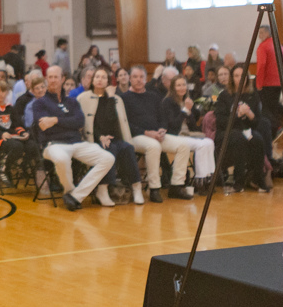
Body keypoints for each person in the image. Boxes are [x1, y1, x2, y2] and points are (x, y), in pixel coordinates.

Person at [32, 66, 114, 211]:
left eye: (55, 77)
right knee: (62, 159)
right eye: (49, 77)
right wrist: (66, 122)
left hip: (77, 143)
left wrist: (56, 120)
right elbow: (44, 125)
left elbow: (79, 122)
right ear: (46, 79)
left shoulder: (72, 102)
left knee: (108, 158)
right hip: (53, 145)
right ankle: (70, 192)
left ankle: (76, 196)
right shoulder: (39, 103)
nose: (52, 80)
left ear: (62, 79)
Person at [122, 66, 189, 203]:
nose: (139, 80)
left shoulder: (153, 96)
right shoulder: (124, 98)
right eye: (135, 77)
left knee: (184, 145)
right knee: (153, 146)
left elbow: (162, 118)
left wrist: (162, 129)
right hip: (135, 136)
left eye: (141, 77)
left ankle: (176, 185)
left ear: (146, 79)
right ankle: (154, 188)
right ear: (130, 79)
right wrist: (147, 133)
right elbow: (125, 124)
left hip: (156, 134)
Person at [76, 68, 142, 205]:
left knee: (127, 148)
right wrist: (100, 136)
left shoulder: (116, 99)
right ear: (93, 80)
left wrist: (111, 98)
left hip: (115, 137)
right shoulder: (84, 98)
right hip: (94, 139)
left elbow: (111, 119)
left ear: (108, 81)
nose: (100, 80)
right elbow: (86, 124)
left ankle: (137, 188)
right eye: (97, 77)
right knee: (109, 149)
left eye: (104, 77)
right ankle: (102, 190)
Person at [215, 64, 269, 192]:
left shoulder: (252, 95)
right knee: (239, 138)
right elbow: (221, 122)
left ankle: (258, 180)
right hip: (226, 132)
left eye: (243, 76)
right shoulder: (224, 96)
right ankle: (238, 183)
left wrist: (250, 114)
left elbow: (256, 123)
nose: (240, 78)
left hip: (246, 130)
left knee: (258, 139)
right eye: (236, 76)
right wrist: (237, 115)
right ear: (232, 78)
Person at [0, 80, 44, 191]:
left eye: (3, 91)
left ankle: (24, 167)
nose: (0, 94)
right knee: (17, 147)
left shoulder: (11, 108)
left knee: (32, 145)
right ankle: (4, 167)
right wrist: (1, 134)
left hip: (14, 137)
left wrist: (23, 133)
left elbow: (17, 125)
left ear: (7, 93)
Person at [160, 74, 217, 194]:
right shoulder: (168, 102)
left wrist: (190, 111)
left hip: (187, 135)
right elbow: (173, 126)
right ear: (173, 88)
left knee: (209, 142)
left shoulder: (186, 101)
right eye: (178, 85)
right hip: (174, 136)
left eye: (184, 85)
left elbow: (193, 127)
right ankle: (199, 181)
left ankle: (209, 178)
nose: (182, 88)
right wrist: (185, 110)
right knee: (202, 145)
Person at [254, 26, 283, 130]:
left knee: (266, 109)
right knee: (273, 108)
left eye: (261, 33)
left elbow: (261, 65)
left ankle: (277, 128)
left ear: (268, 33)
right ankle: (275, 131)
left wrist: (259, 83)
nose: (259, 36)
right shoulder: (278, 45)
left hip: (267, 83)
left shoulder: (263, 46)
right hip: (278, 82)